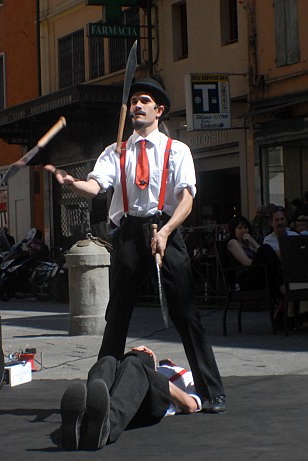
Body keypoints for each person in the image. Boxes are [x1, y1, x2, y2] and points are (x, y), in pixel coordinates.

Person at [45, 77, 225, 413]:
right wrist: (73, 182)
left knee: (187, 312)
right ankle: (99, 388)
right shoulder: (116, 151)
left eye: (144, 101)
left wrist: (168, 231)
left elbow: (187, 199)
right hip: (128, 232)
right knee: (117, 314)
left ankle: (212, 392)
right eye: (134, 101)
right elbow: (96, 187)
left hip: (166, 227)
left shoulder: (177, 150)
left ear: (159, 110)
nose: (137, 106)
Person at [60, 346, 200, 451]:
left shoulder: (185, 374)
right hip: (127, 399)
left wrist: (152, 372)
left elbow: (191, 405)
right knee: (107, 361)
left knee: (134, 363)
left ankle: (104, 427)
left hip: (152, 401)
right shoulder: (127, 366)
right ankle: (86, 424)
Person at [225, 214, 283, 300]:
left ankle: (282, 286)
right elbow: (247, 262)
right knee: (265, 248)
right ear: (234, 230)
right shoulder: (233, 243)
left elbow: (263, 254)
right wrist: (261, 259)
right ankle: (282, 284)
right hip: (246, 279)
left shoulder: (249, 244)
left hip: (257, 274)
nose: (244, 231)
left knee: (266, 250)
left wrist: (252, 242)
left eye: (245, 227)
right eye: (240, 228)